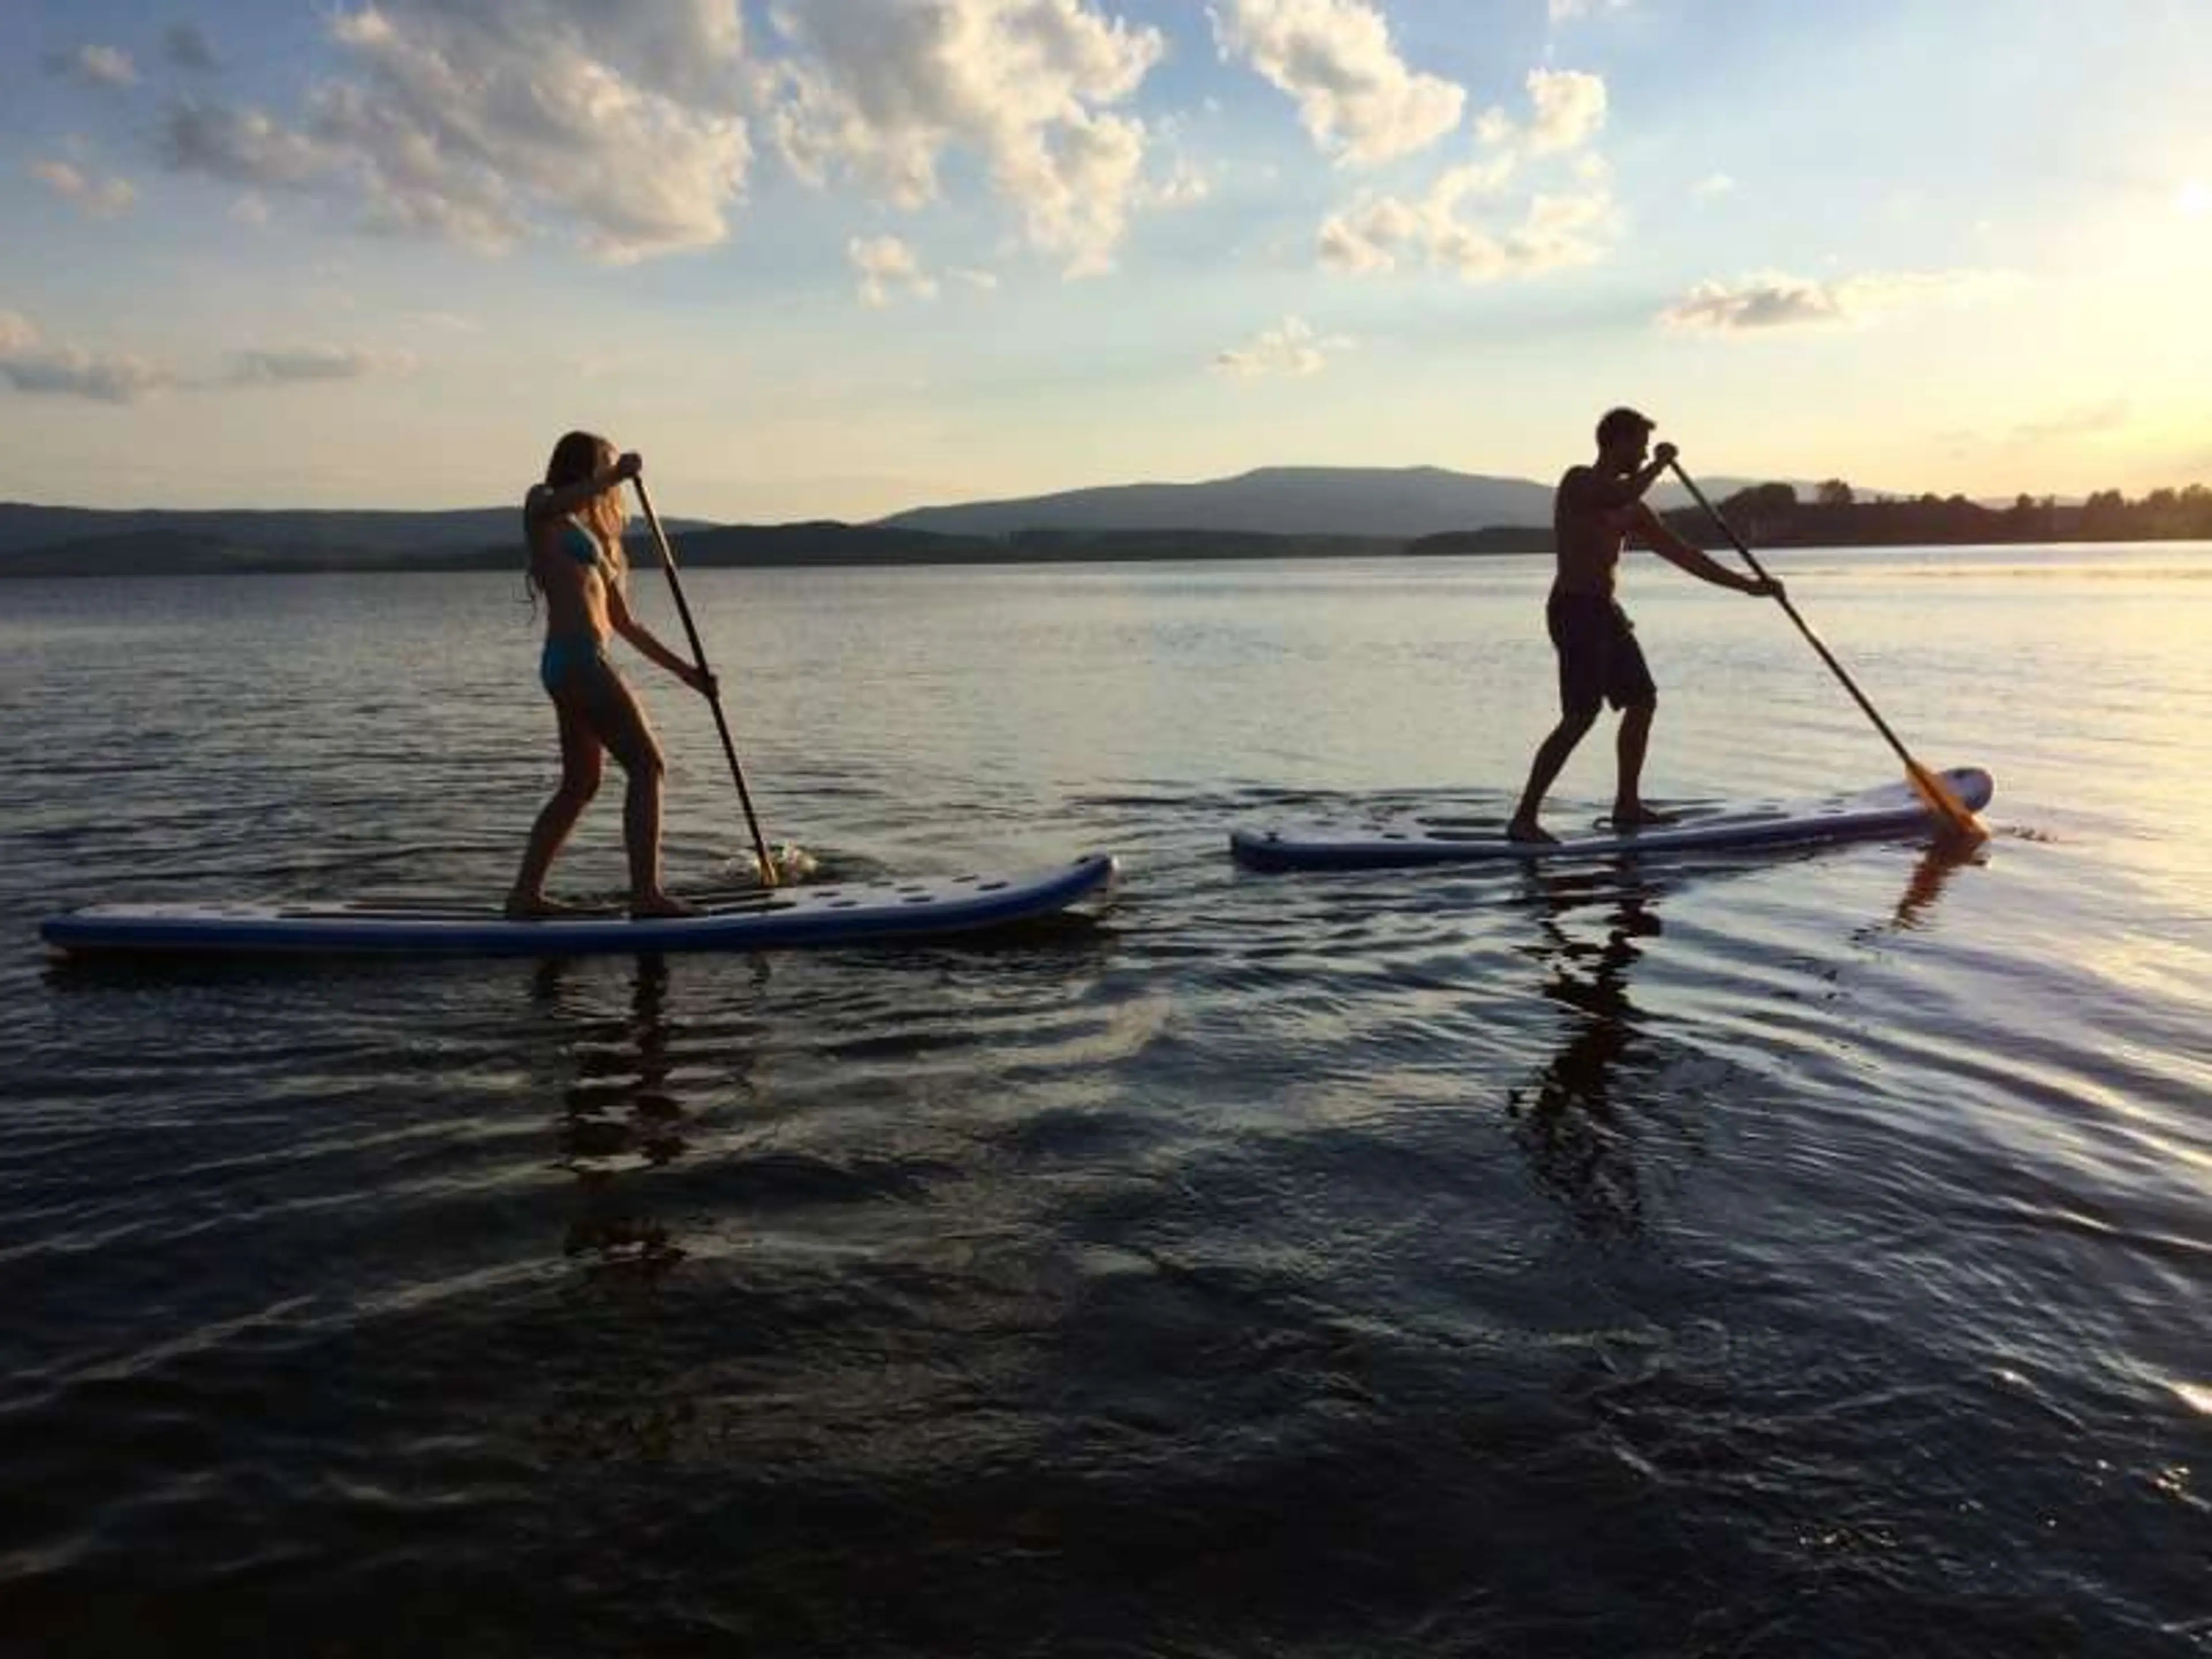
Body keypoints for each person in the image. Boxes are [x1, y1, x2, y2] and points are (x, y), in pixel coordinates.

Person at [1506, 408, 1781, 844]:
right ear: (1614, 444)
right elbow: (1620, 493)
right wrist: (1660, 464)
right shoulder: (1579, 483)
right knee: (1580, 716)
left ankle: (1627, 806)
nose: (1642, 452)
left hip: (1605, 609)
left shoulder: (1635, 510)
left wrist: (1749, 587)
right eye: (1638, 444)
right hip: (1573, 609)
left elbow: (1686, 556)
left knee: (1643, 700)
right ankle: (1524, 819)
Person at [507, 432, 715, 919]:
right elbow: (551, 504)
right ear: (584, 466)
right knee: (647, 767)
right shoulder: (543, 506)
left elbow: (625, 624)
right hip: (577, 661)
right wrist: (616, 475)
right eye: (604, 464)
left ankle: (524, 897)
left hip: (575, 662)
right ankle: (646, 895)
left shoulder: (593, 536)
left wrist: (688, 674)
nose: (611, 477)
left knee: (580, 784)